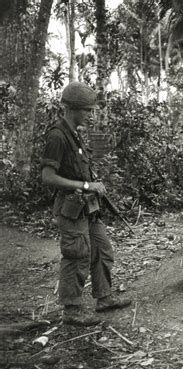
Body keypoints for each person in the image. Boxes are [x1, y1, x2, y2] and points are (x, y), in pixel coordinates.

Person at [41, 81, 131, 326]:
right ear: (72, 109)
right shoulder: (58, 136)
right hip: (72, 208)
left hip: (87, 207)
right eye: (87, 110)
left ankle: (104, 297)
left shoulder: (74, 134)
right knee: (76, 255)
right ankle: (71, 309)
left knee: (102, 249)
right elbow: (48, 177)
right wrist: (86, 186)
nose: (90, 115)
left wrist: (91, 184)